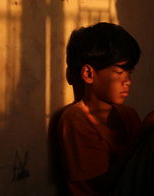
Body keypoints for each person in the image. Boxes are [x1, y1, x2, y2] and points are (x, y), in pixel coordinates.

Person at [58, 22, 143, 196]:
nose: (127, 81)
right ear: (89, 74)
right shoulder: (76, 119)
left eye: (129, 73)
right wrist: (144, 134)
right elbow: (103, 184)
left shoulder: (128, 115)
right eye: (119, 73)